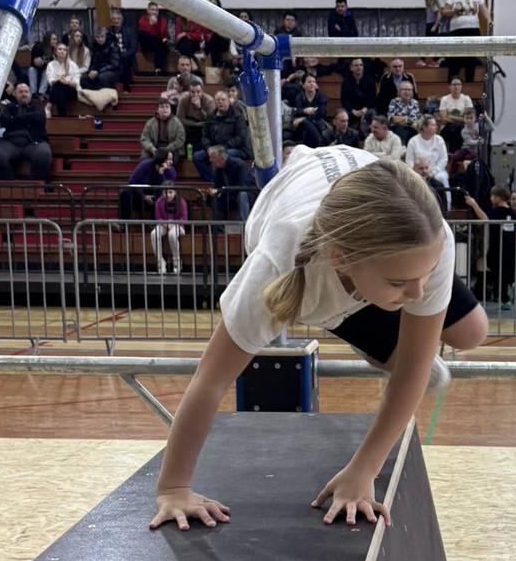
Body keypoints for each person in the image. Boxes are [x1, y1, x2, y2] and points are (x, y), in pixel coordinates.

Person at [149, 147, 488, 531]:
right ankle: (358, 326)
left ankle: (379, 322)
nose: (419, 292)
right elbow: (210, 380)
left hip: (361, 206)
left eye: (425, 276)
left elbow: (415, 368)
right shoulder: (275, 267)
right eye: (401, 282)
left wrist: (364, 470)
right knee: (380, 327)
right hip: (307, 248)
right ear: (342, 259)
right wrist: (174, 487)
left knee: (472, 331)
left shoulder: (432, 241)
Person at [0, 83, 52, 181]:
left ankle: (35, 185)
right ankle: (11, 182)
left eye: (26, 92)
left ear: (30, 94)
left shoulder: (38, 106)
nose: (24, 94)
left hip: (34, 142)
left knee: (44, 153)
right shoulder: (8, 107)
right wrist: (28, 119)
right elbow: (5, 120)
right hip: (11, 143)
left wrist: (15, 119)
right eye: (20, 92)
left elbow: (39, 118)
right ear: (15, 94)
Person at [441, 0, 490, 84]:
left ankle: (470, 85)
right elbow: (444, 11)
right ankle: (452, 84)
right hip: (457, 31)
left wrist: (490, 21)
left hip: (473, 30)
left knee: (471, 59)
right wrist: (453, 11)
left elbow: (484, 10)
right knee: (455, 58)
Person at [193, 88, 253, 178]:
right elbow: (205, 136)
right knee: (197, 157)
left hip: (235, 149)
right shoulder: (211, 117)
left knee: (225, 155)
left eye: (223, 100)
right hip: (214, 148)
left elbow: (240, 137)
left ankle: (227, 181)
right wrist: (208, 147)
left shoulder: (237, 116)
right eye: (218, 100)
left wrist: (222, 148)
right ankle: (212, 180)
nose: (220, 102)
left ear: (229, 101)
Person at [120, 146, 175, 220]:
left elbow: (166, 190)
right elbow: (132, 182)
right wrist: (144, 196)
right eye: (169, 159)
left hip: (158, 198)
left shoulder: (171, 172)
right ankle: (122, 223)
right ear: (161, 160)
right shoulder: (145, 165)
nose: (172, 162)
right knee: (125, 192)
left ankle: (156, 224)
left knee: (163, 198)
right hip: (140, 197)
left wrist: (161, 174)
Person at [204, 145, 255, 222]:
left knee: (242, 195)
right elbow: (218, 186)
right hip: (227, 195)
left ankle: (244, 225)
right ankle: (218, 229)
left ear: (221, 158)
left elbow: (244, 185)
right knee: (215, 199)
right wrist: (216, 191)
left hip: (245, 194)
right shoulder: (217, 170)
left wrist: (224, 190)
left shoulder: (239, 165)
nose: (210, 160)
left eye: (212, 157)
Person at [151, 184, 189, 276]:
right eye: (165, 192)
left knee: (172, 234)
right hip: (164, 225)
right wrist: (166, 224)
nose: (167, 195)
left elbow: (184, 218)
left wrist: (174, 224)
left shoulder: (181, 201)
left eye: (170, 192)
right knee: (154, 234)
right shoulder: (159, 202)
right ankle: (160, 262)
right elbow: (158, 217)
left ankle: (177, 261)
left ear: (175, 192)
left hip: (178, 226)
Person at [406, 114, 450, 189]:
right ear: (424, 127)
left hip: (436, 171)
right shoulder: (413, 141)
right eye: (433, 125)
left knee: (442, 178)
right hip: (417, 171)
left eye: (435, 125)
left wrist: (433, 172)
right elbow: (409, 161)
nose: (436, 127)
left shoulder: (439, 140)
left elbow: (444, 159)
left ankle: (446, 200)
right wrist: (418, 172)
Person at [140, 100, 186, 165]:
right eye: (162, 107)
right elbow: (144, 139)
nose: (165, 109)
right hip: (155, 147)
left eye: (167, 107)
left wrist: (167, 150)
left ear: (170, 109)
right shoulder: (150, 123)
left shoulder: (177, 122)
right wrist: (152, 149)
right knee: (144, 158)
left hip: (171, 147)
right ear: (157, 110)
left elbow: (180, 139)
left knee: (170, 160)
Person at [290, 75, 329, 149]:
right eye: (309, 82)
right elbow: (297, 111)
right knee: (305, 126)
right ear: (303, 85)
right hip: (302, 127)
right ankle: (319, 143)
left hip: (319, 125)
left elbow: (320, 114)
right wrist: (305, 110)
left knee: (305, 123)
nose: (312, 84)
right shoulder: (299, 97)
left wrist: (303, 119)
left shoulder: (322, 97)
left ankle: (312, 144)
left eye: (314, 82)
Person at [340, 58, 376, 135]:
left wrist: (365, 109)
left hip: (366, 109)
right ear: (351, 68)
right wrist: (353, 111)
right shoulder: (346, 82)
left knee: (373, 113)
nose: (359, 67)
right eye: (356, 65)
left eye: (361, 65)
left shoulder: (370, 81)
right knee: (341, 113)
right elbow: (344, 100)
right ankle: (343, 135)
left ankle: (371, 135)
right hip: (351, 110)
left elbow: (373, 99)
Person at [177, 82, 215, 154]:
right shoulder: (183, 100)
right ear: (189, 92)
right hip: (189, 126)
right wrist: (196, 124)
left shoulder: (209, 100)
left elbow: (211, 120)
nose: (195, 95)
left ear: (202, 91)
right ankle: (183, 154)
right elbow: (180, 118)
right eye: (192, 92)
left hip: (204, 126)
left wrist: (200, 108)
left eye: (198, 92)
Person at [44, 42, 81, 117]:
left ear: (67, 52)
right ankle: (63, 117)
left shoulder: (72, 64)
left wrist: (67, 82)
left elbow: (76, 83)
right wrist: (59, 79)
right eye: (60, 49)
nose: (62, 51)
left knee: (59, 86)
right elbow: (50, 81)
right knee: (60, 90)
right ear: (56, 52)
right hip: (57, 90)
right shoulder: (50, 65)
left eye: (64, 50)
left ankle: (48, 106)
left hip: (72, 90)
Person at [438, 78, 474, 151]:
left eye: (458, 84)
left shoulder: (466, 99)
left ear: (461, 86)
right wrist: (461, 119)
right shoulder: (445, 99)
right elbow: (444, 119)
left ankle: (456, 154)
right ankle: (454, 153)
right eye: (454, 84)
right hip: (447, 127)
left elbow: (468, 119)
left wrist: (450, 116)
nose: (456, 86)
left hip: (463, 126)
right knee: (452, 131)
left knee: (459, 130)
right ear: (450, 87)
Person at [82, 26, 121, 90]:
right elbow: (92, 61)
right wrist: (91, 71)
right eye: (98, 37)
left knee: (102, 77)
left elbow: (114, 64)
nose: (100, 39)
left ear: (106, 36)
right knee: (84, 78)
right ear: (95, 37)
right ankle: (91, 97)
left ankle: (106, 96)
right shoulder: (93, 46)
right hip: (98, 70)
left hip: (113, 70)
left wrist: (98, 71)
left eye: (102, 36)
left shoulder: (113, 45)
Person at [137, 2, 170, 73]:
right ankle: (158, 68)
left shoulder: (162, 20)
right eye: (152, 10)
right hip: (147, 44)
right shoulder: (143, 20)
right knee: (144, 34)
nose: (154, 12)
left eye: (156, 10)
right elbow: (143, 34)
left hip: (159, 43)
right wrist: (151, 24)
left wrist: (165, 38)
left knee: (161, 45)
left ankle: (158, 69)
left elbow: (165, 34)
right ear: (148, 11)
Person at [108, 8, 135, 92]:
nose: (116, 21)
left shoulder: (129, 31)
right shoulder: (108, 31)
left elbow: (133, 48)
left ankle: (126, 87)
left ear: (122, 20)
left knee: (124, 61)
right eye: (114, 19)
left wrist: (123, 55)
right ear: (111, 20)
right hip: (112, 57)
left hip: (126, 56)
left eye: (118, 19)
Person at [27, 31, 58, 95]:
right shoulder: (38, 46)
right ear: (48, 39)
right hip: (35, 69)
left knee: (48, 70)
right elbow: (36, 62)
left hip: (45, 70)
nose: (56, 41)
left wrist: (55, 54)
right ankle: (33, 93)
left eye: (56, 39)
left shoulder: (55, 49)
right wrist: (44, 61)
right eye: (54, 39)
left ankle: (41, 93)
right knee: (31, 70)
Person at [418, 0, 442, 67]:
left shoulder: (433, 5)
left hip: (432, 25)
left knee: (432, 43)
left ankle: (436, 60)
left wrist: (435, 26)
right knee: (427, 42)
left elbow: (439, 15)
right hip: (429, 24)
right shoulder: (429, 6)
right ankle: (424, 59)